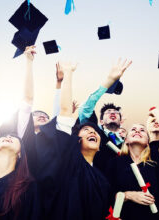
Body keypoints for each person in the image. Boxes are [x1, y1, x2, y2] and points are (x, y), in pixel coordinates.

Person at [29, 61, 110, 220]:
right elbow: (64, 114)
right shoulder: (66, 162)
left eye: (94, 131)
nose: (92, 131)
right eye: (85, 130)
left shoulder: (102, 181)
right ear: (75, 140)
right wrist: (68, 75)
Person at [106, 107, 159, 220]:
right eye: (133, 129)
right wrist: (128, 195)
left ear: (148, 142)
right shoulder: (114, 163)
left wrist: (155, 112)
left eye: (142, 130)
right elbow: (107, 195)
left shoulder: (156, 158)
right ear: (126, 140)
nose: (137, 131)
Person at [78, 58, 132, 174]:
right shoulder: (95, 134)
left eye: (116, 112)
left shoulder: (129, 142)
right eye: (108, 112)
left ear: (121, 121)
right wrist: (109, 81)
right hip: (96, 184)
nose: (112, 113)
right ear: (101, 122)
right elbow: (84, 109)